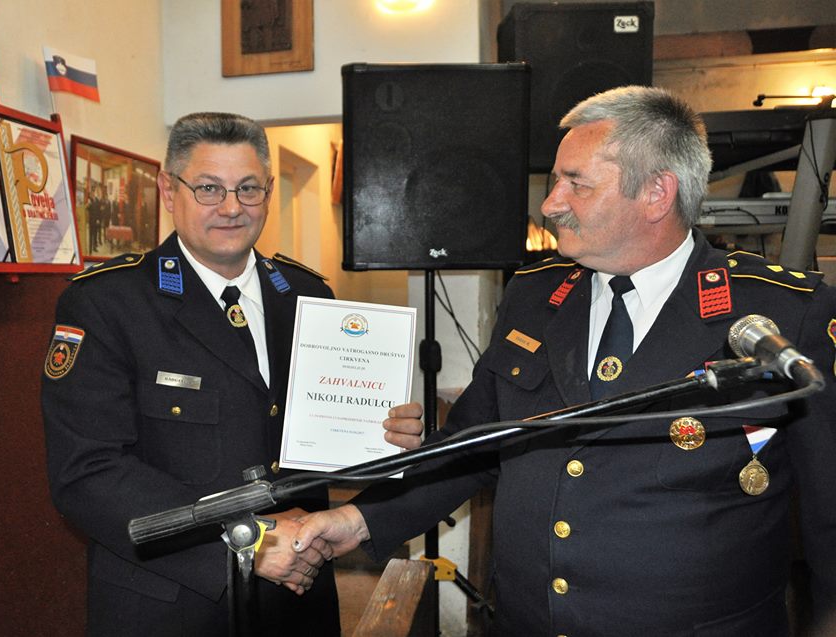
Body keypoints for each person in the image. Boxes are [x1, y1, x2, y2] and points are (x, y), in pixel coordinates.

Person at [293, 86, 836, 636]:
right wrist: (358, 519)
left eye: (577, 183)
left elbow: (830, 517)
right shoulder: (535, 295)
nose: (551, 204)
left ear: (656, 193)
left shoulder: (783, 315)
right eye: (556, 181)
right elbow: (472, 446)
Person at [41, 112, 422, 636]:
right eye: (208, 188)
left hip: (295, 599)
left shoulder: (308, 295)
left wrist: (385, 437)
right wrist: (244, 538)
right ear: (168, 190)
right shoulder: (107, 304)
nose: (231, 207)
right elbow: (88, 474)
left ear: (268, 191)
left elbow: (322, 441)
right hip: (172, 604)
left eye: (247, 188)